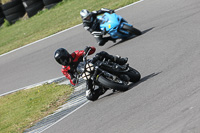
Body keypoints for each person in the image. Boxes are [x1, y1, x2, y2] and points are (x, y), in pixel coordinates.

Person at [54, 46, 128, 100]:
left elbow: (92, 50)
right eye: (60, 61)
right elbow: (72, 81)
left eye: (63, 58)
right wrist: (73, 79)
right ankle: (103, 88)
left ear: (67, 54)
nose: (63, 61)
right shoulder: (64, 69)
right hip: (86, 75)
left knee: (101, 54)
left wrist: (88, 49)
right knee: (90, 96)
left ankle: (119, 60)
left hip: (91, 64)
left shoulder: (75, 54)